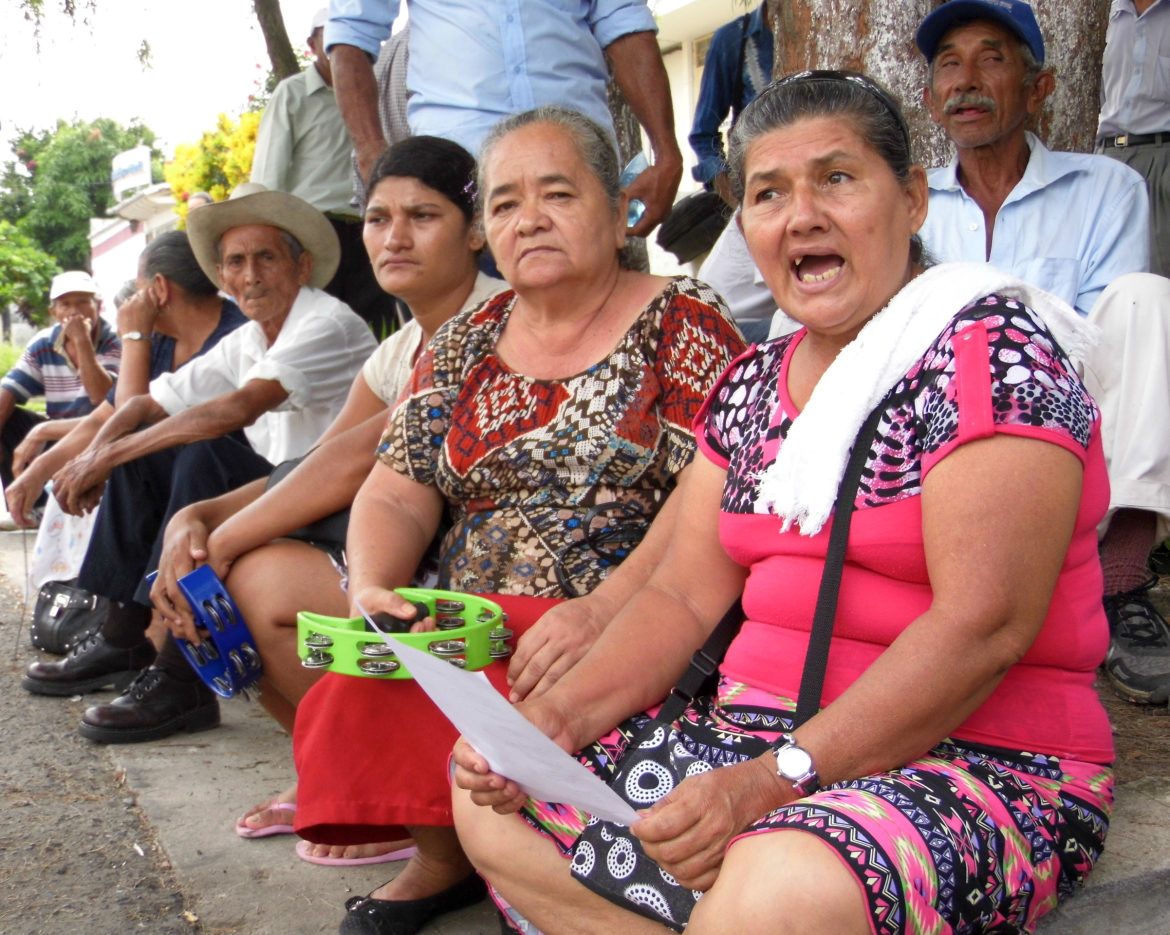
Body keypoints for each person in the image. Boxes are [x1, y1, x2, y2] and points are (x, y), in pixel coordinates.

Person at [453, 71, 1115, 935]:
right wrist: (549, 724)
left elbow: (981, 628)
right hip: (751, 737)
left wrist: (773, 783)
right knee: (492, 797)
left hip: (980, 758)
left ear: (912, 198)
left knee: (777, 883)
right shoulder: (754, 381)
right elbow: (681, 594)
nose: (801, 214)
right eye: (768, 192)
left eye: (836, 179)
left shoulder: (993, 355)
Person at [291, 106, 743, 935]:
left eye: (557, 193)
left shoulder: (683, 319)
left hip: (628, 612)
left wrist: (607, 611)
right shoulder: (463, 340)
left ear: (616, 211)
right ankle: (446, 859)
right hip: (473, 617)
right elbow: (396, 488)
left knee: (547, 689)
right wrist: (378, 587)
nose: (528, 218)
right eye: (503, 203)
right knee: (382, 667)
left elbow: (713, 488)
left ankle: (542, 869)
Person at [148, 136, 504, 842]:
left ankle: (399, 790)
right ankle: (337, 772)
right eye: (377, 218)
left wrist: (221, 541)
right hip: (410, 553)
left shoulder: (492, 319)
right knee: (228, 582)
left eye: (422, 216)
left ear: (474, 233)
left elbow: (353, 461)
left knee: (253, 585)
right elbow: (312, 461)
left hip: (478, 573)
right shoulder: (398, 347)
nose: (394, 237)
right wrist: (194, 517)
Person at [21, 185, 378, 744]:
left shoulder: (324, 322)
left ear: (301, 265)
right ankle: (122, 635)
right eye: (236, 261)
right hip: (272, 489)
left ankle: (180, 677)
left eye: (267, 257)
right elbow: (143, 403)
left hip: (323, 500)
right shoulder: (253, 335)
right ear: (221, 274)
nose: (250, 274)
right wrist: (96, 456)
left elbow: (238, 407)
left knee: (202, 449)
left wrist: (108, 454)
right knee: (152, 442)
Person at [915, 0, 1170, 707]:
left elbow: (1099, 334)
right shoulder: (910, 200)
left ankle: (1121, 577)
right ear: (932, 98)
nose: (966, 80)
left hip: (1071, 401)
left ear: (1040, 87)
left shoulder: (1106, 185)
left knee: (1148, 299)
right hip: (942, 413)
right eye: (948, 64)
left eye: (991, 58)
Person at [6, 232, 245, 605]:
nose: (132, 300)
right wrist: (42, 470)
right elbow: (111, 412)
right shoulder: (165, 338)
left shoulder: (233, 337)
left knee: (133, 452)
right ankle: (114, 617)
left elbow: (133, 423)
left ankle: (133, 623)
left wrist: (134, 335)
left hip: (223, 481)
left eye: (138, 289)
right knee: (122, 453)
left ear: (159, 289)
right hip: (175, 479)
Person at [324, 0, 683, 238]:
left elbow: (624, 24)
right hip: (459, 182)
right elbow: (350, 35)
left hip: (577, 170)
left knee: (590, 329)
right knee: (470, 339)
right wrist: (373, 156)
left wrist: (666, 153)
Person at [252, 8, 398, 332]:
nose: (338, 44)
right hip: (312, 231)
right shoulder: (292, 94)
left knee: (376, 326)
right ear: (312, 44)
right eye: (327, 36)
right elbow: (268, 173)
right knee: (318, 329)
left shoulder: (372, 88)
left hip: (367, 224)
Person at [0, 271, 121, 491]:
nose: (74, 311)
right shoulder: (44, 342)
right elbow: (9, 389)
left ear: (98, 306)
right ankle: (27, 505)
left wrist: (81, 342)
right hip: (58, 433)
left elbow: (102, 396)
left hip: (101, 432)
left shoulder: (114, 339)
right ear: (54, 312)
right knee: (8, 419)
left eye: (83, 302)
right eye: (65, 304)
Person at [1097, 0, 1170, 277]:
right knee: (1105, 275)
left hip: (1161, 156)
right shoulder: (1112, 11)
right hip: (1108, 156)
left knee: (1156, 280)